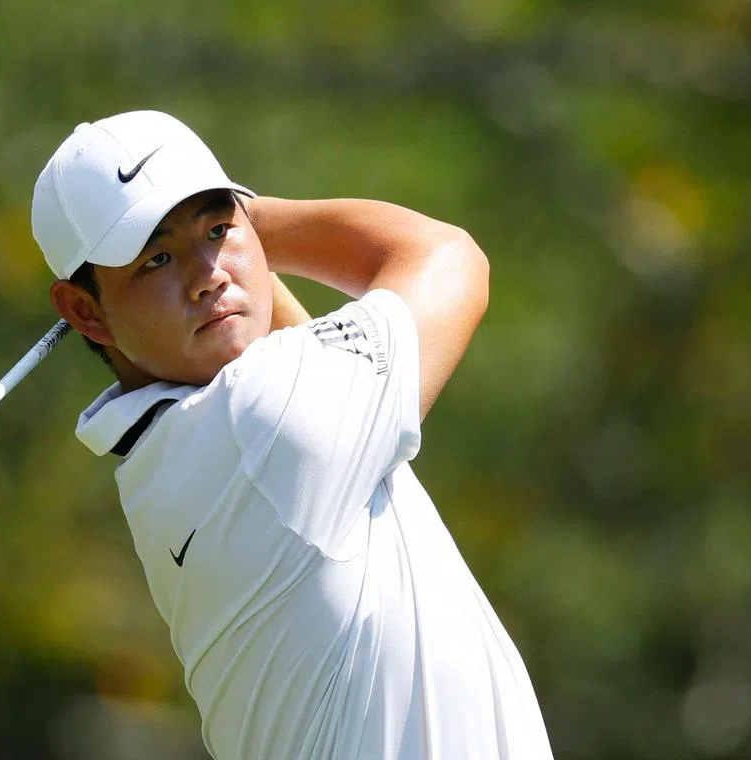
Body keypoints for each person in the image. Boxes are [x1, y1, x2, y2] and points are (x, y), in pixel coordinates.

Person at [31, 110, 554, 759]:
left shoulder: (162, 458)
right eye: (158, 258)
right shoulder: (268, 414)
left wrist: (223, 231)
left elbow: (275, 338)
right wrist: (256, 220)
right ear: (84, 311)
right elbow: (450, 258)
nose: (209, 273)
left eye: (218, 231)